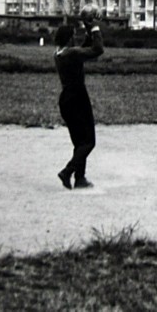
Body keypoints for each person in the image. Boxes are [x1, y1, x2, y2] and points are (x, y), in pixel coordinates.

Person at [54, 15, 104, 189]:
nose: (76, 37)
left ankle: (80, 178)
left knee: (79, 143)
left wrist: (89, 30)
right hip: (78, 98)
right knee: (89, 142)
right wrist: (95, 29)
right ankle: (67, 171)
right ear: (69, 38)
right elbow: (97, 50)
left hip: (66, 99)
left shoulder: (60, 53)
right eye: (74, 35)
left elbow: (83, 49)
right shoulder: (72, 53)